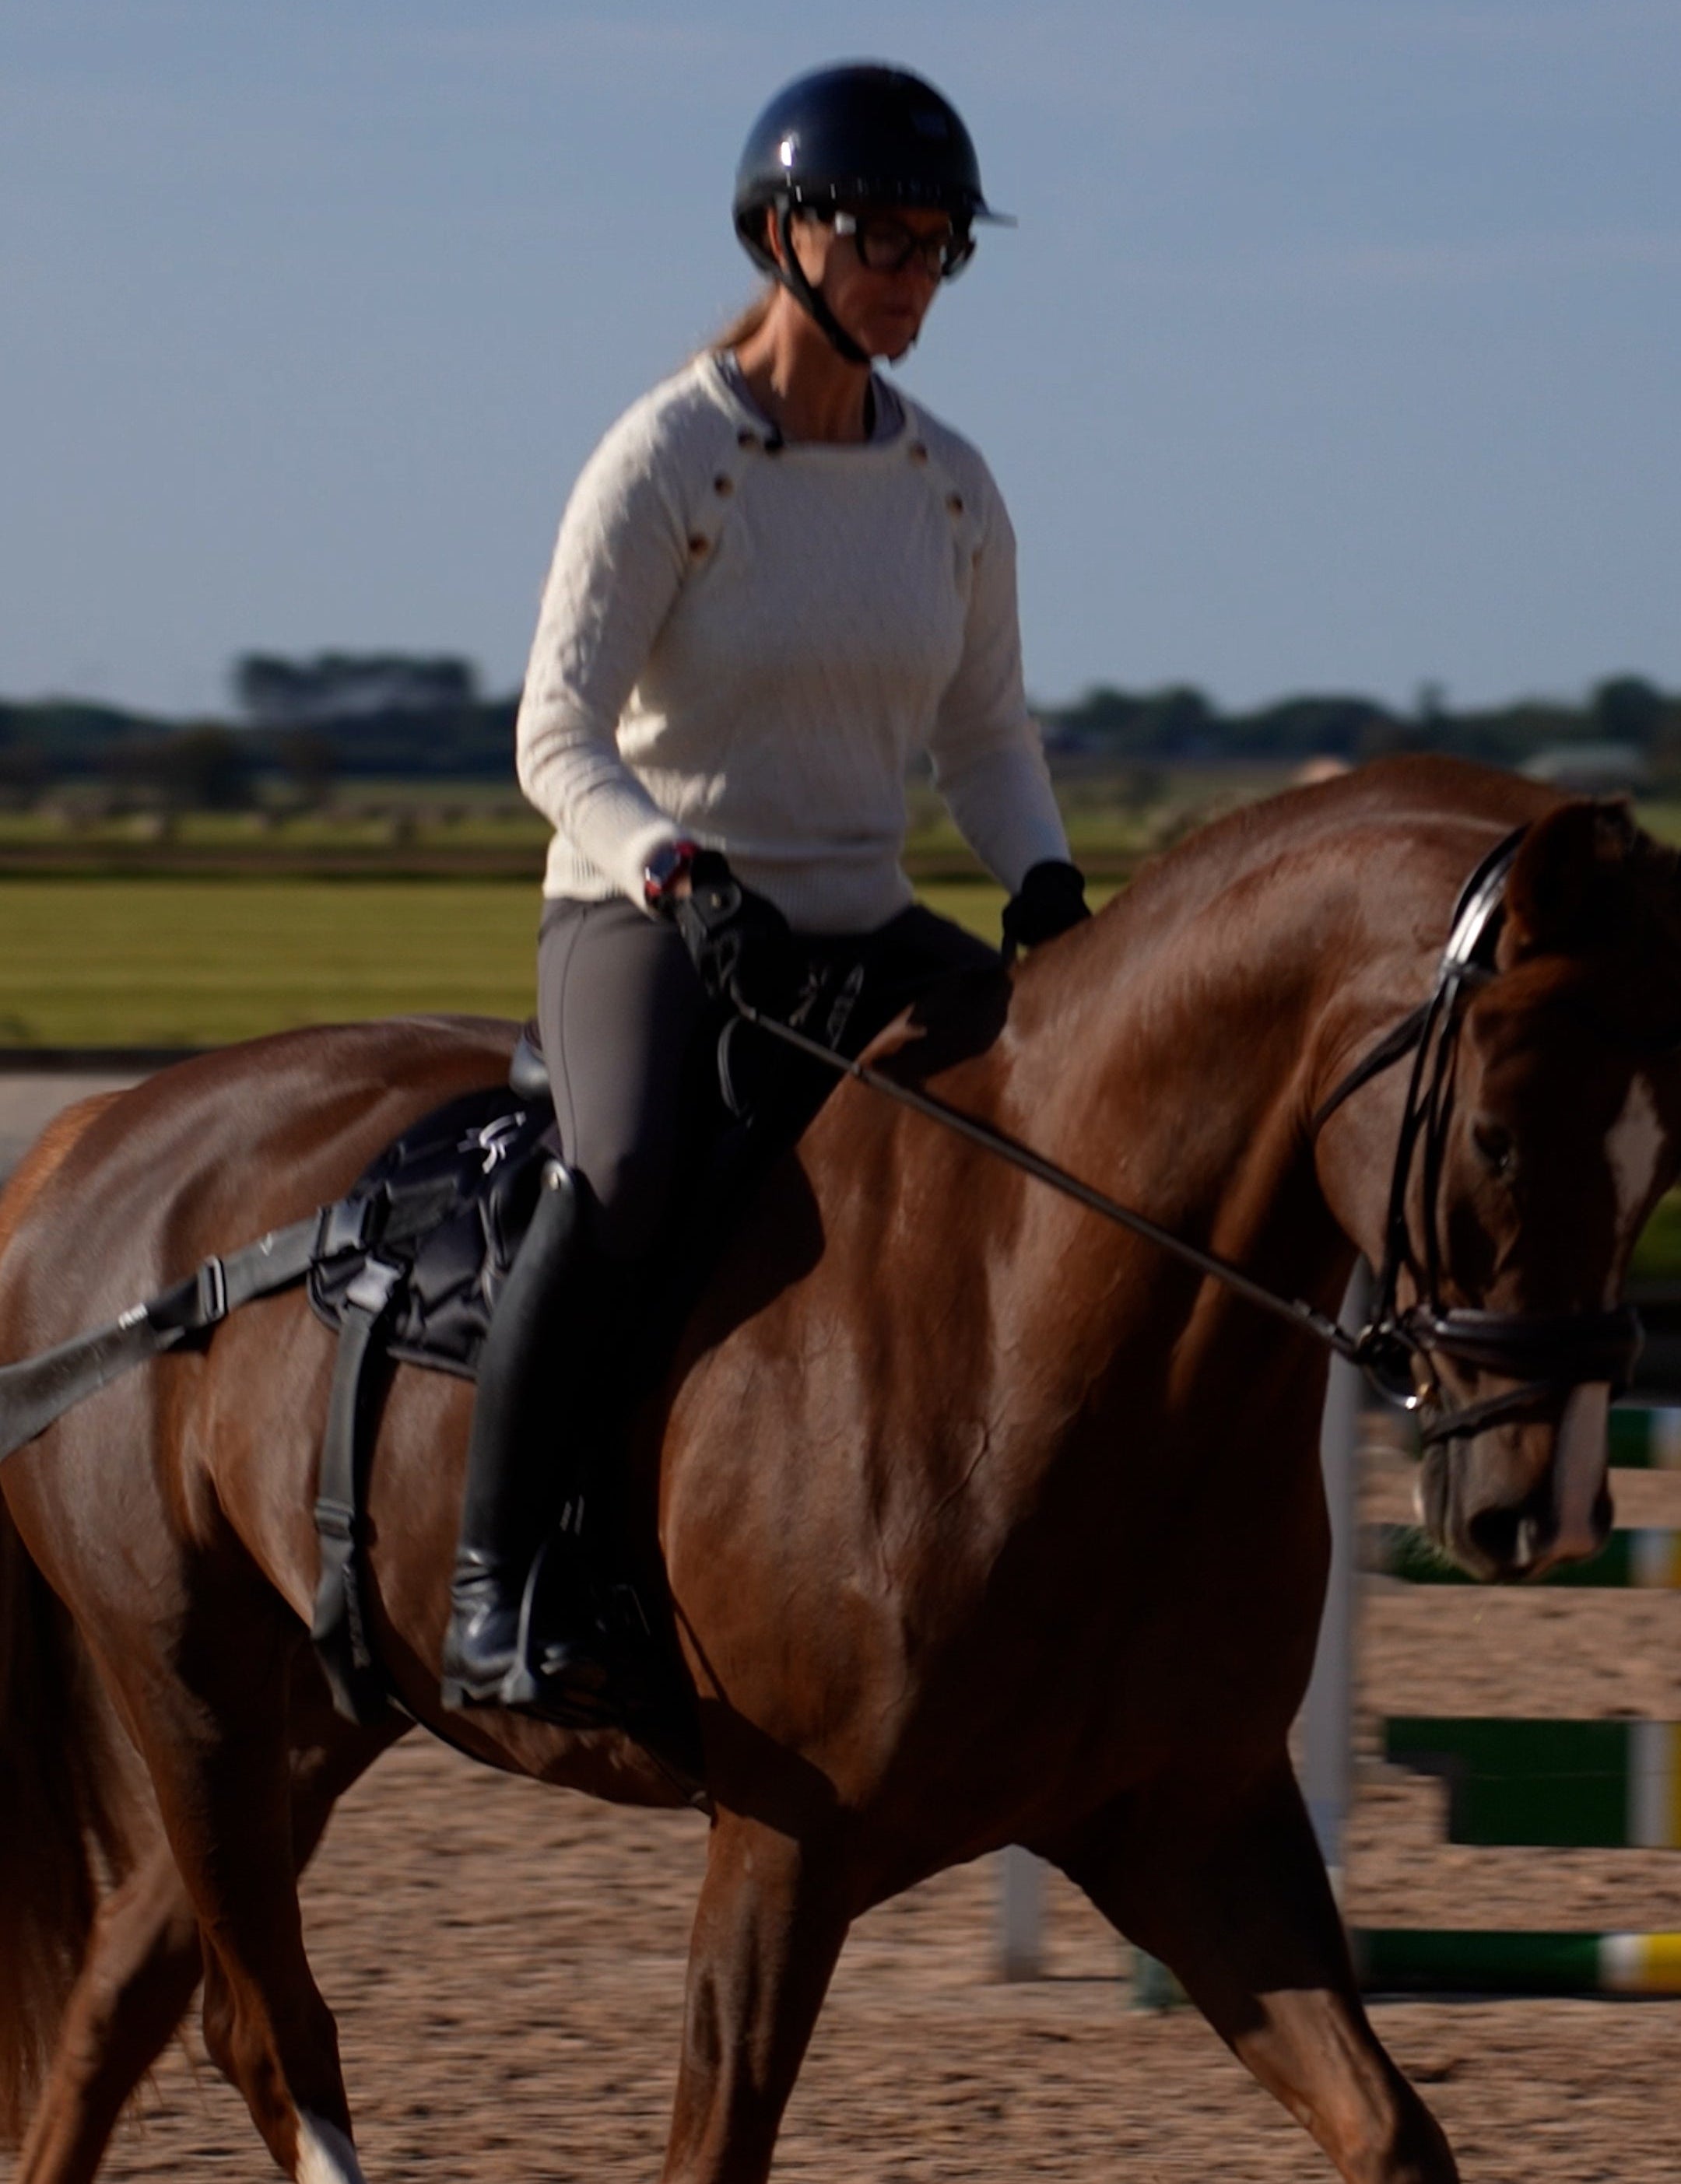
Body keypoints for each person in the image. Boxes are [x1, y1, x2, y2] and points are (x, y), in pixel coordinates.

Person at [440, 61, 1091, 1723]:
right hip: (645, 911)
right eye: (884, 234)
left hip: (860, 916)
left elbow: (986, 734)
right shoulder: (669, 458)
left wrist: (1045, 887)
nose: (913, 272)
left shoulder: (951, 486)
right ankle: (493, 1582)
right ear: (785, 234)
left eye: (943, 245)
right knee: (632, 1171)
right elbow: (553, 730)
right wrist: (670, 866)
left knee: (1054, 1136)